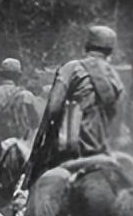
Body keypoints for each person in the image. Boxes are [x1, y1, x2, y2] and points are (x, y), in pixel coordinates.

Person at [24, 25, 125, 186]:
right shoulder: (115, 77)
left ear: (87, 47)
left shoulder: (71, 68)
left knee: (36, 186)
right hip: (105, 152)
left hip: (72, 153)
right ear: (110, 51)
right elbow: (119, 117)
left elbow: (53, 109)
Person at [0, 58, 41, 142]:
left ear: (0, 74)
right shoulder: (26, 97)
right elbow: (37, 123)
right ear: (19, 76)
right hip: (21, 149)